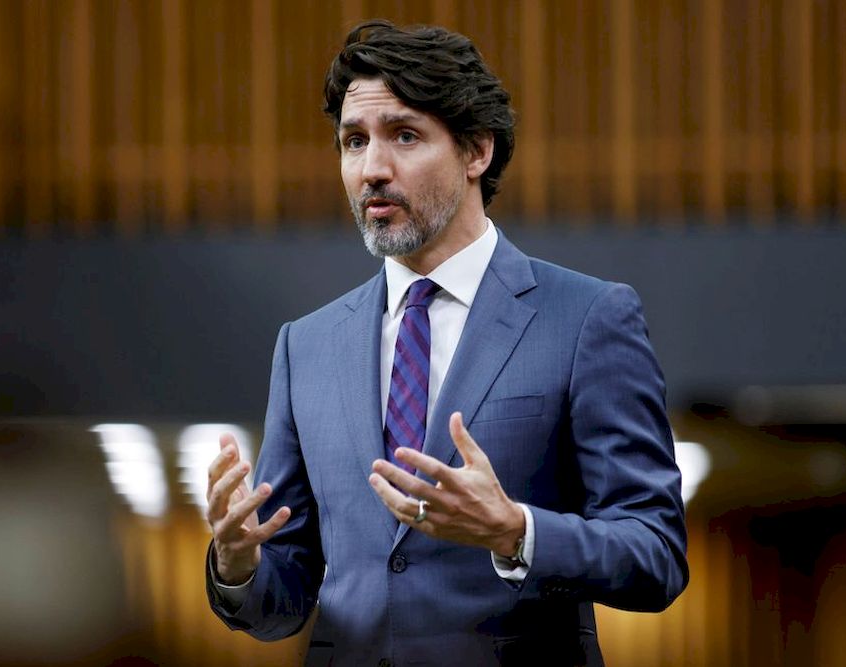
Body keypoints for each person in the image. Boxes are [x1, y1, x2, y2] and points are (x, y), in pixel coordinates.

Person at [205, 19, 688, 667]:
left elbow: (655, 552)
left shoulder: (588, 318)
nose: (372, 168)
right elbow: (285, 596)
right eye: (353, 142)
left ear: (476, 151)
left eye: (404, 135)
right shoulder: (305, 347)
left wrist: (517, 532)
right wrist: (239, 564)